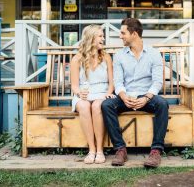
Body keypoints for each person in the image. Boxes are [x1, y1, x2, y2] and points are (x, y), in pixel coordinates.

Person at [102, 18, 169, 168]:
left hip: (146, 97)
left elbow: (157, 81)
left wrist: (146, 97)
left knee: (162, 104)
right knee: (106, 105)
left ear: (134, 33)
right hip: (126, 97)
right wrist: (124, 96)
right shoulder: (119, 55)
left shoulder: (153, 54)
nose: (120, 36)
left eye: (123, 33)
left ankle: (156, 151)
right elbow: (118, 82)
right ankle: (120, 149)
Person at [71, 24, 115, 164]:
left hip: (102, 93)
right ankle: (92, 150)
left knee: (97, 106)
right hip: (84, 93)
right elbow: (74, 86)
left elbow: (112, 82)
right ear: (91, 38)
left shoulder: (106, 57)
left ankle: (100, 150)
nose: (103, 39)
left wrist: (109, 93)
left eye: (103, 36)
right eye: (100, 36)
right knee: (84, 106)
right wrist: (79, 93)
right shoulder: (77, 59)